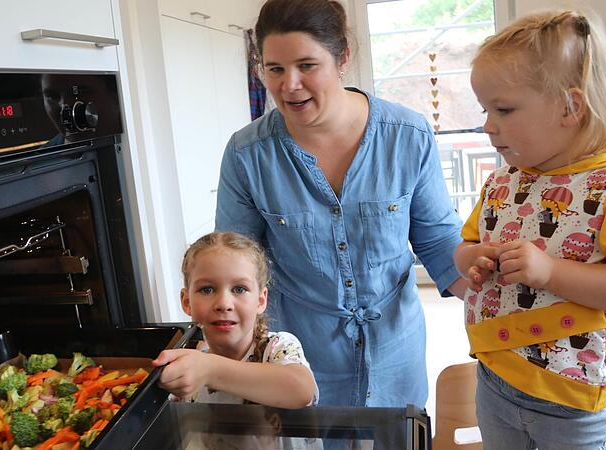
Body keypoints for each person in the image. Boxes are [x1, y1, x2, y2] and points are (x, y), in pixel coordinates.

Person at [215, 0, 466, 408]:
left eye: (307, 65)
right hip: (299, 361)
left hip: (395, 356)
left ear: (343, 56)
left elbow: (438, 240)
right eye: (274, 69)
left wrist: (494, 301)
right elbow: (236, 261)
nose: (289, 85)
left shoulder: (407, 135)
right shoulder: (247, 154)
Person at [455, 9, 606, 449]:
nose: (488, 125)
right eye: (485, 109)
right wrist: (472, 258)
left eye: (504, 109)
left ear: (570, 107)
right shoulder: (502, 180)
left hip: (572, 395)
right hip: (495, 374)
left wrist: (550, 273)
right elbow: (467, 245)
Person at [152, 231, 318, 409]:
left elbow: (300, 390)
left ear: (261, 300)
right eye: (207, 290)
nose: (224, 304)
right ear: (186, 302)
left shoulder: (278, 347)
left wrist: (210, 369)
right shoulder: (188, 367)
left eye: (239, 289)